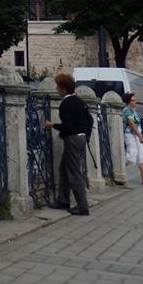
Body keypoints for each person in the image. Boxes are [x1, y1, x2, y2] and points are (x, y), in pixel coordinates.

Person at [43, 73, 90, 216]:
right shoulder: (79, 101)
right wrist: (86, 136)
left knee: (74, 172)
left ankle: (82, 206)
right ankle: (63, 200)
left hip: (73, 139)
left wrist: (52, 125)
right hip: (81, 137)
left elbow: (68, 126)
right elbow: (90, 120)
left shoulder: (66, 104)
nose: (56, 89)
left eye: (58, 86)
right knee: (64, 168)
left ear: (63, 89)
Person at [121, 91, 143, 185]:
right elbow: (131, 123)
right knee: (131, 157)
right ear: (128, 101)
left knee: (142, 157)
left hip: (136, 135)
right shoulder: (127, 110)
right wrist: (140, 136)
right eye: (133, 100)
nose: (135, 102)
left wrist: (139, 135)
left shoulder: (133, 110)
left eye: (135, 100)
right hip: (130, 135)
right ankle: (118, 168)